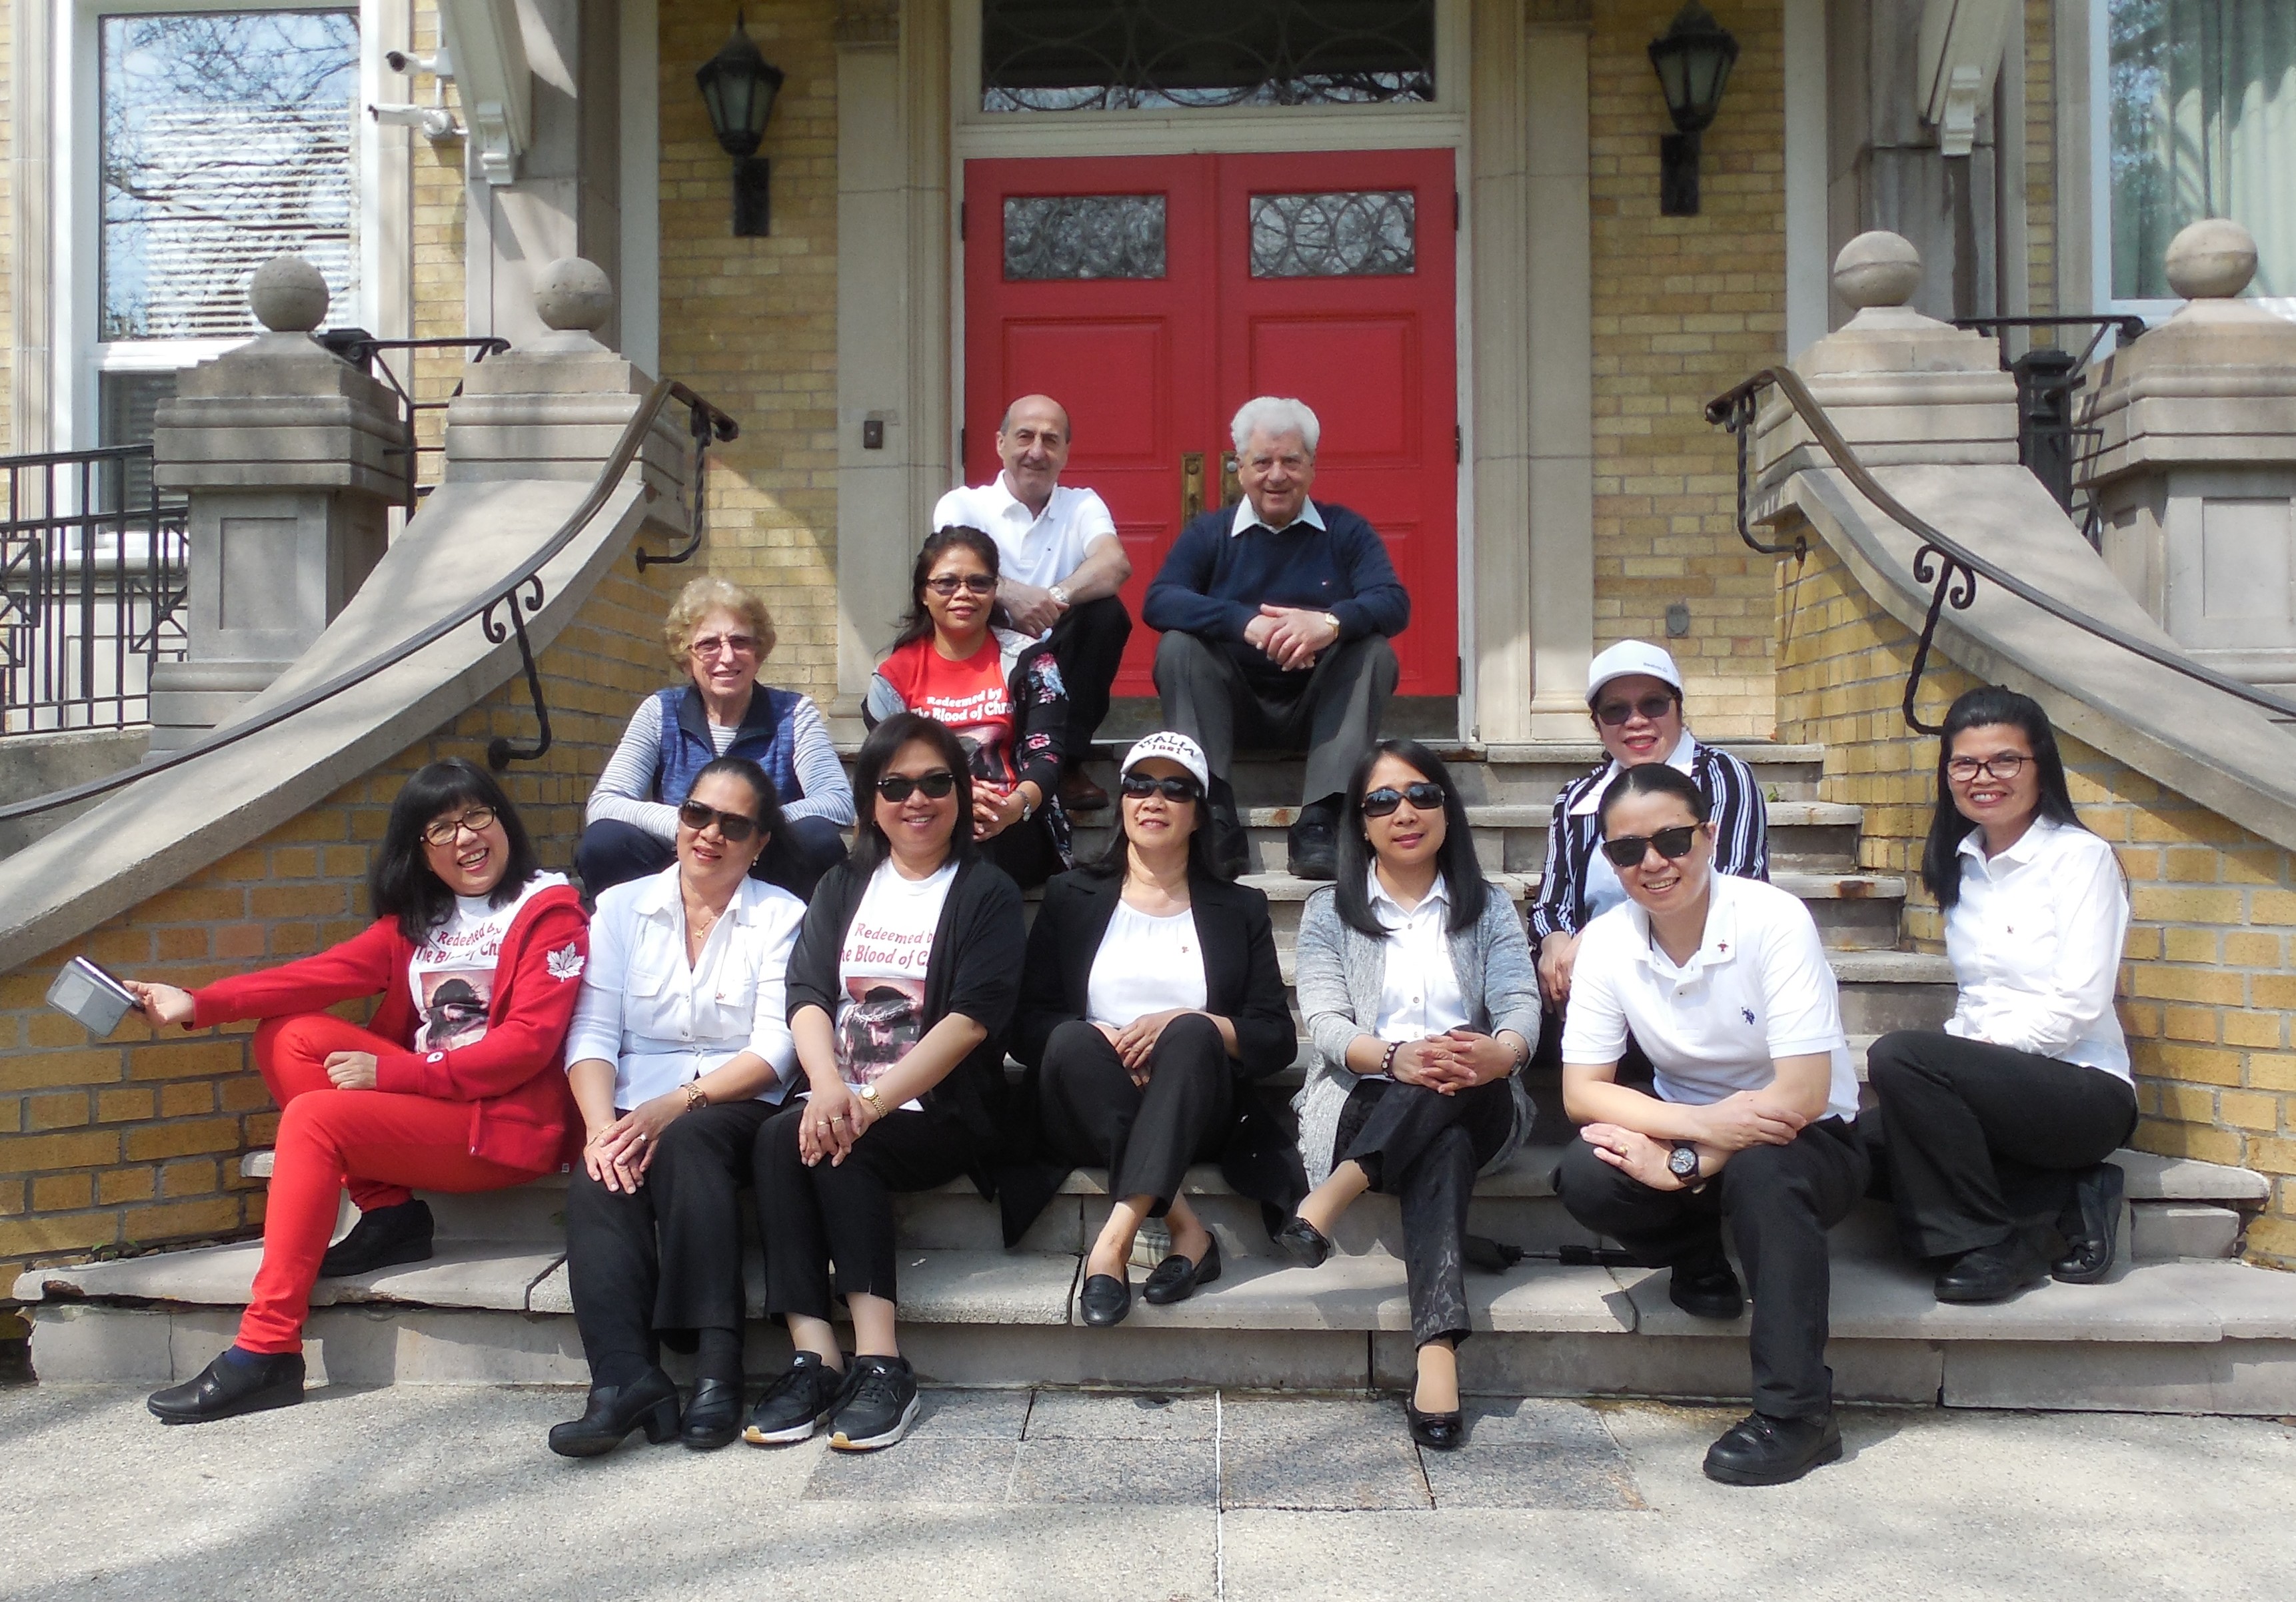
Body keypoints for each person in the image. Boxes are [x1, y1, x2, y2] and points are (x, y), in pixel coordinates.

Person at [125, 760, 587, 1424]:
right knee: (286, 1035)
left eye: (476, 816)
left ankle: (266, 1348)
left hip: (503, 1123)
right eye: (440, 829)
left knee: (315, 1120)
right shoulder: (421, 923)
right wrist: (196, 1002)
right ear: (420, 852)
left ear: (503, 821)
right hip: (434, 1104)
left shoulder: (550, 914)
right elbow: (316, 976)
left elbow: (525, 1047)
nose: (465, 837)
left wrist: (395, 1075)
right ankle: (390, 1214)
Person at [1552, 762, 1865, 1487]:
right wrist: (1698, 1129)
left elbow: (1803, 1090)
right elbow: (1581, 1094)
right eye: (1627, 850)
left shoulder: (1772, 918)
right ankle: (1699, 1259)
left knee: (1764, 1170)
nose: (1653, 862)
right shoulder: (1607, 940)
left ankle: (1797, 1414)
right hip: (1692, 1125)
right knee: (1585, 1171)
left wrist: (1694, 1159)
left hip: (1808, 1140)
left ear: (1709, 835)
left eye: (1672, 840)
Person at [741, 713, 1026, 1452]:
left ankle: (880, 1361)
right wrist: (827, 1086)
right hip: (839, 1091)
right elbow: (806, 995)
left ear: (961, 793)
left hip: (940, 1110)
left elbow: (969, 1023)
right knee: (776, 1138)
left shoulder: (986, 892)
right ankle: (815, 1358)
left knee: (847, 1145)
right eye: (895, 786)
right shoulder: (843, 884)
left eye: (936, 782)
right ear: (871, 799)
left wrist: (866, 1103)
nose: (916, 800)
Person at [1277, 740, 1540, 1451]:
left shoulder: (1488, 907)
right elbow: (1327, 1024)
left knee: (1456, 1074)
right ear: (1361, 825)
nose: (1405, 812)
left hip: (1480, 1092)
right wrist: (1397, 1058)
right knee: (1441, 1140)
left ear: (1447, 811)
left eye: (1423, 795)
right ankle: (1437, 1353)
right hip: (1364, 1095)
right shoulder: (1330, 912)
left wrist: (1501, 1053)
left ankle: (1336, 1192)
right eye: (1382, 801)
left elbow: (1519, 1003)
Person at [548, 757, 810, 1457]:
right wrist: (600, 1127)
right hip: (636, 1101)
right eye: (697, 813)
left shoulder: (782, 915)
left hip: (739, 1098)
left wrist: (679, 1103)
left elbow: (777, 1049)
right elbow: (592, 1031)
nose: (710, 833)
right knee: (601, 1173)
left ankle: (719, 1369)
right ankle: (624, 1380)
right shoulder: (620, 908)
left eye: (734, 824)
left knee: (692, 1141)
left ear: (760, 842)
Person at [1010, 732, 1296, 1327]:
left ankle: (1110, 1248)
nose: (1154, 800)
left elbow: (1275, 1037)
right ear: (1122, 801)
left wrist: (1189, 1023)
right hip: (1088, 1097)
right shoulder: (1070, 895)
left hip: (1197, 1107)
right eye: (1139, 785)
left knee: (1190, 1033)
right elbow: (1027, 1026)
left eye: (1175, 789)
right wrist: (1105, 1041)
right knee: (1070, 1038)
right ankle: (1188, 1231)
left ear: (1199, 813)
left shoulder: (1239, 908)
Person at [1865, 686, 2136, 1304]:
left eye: (2004, 761)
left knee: (1899, 1056)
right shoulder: (1960, 863)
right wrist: (1960, 1069)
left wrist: (1973, 1059)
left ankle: (1994, 1245)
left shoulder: (2080, 858)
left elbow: (2079, 1003)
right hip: (1993, 1087)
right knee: (1848, 1149)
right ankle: (2065, 1196)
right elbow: (1976, 998)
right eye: (1964, 764)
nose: (1982, 778)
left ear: (2040, 766)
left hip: (2079, 1090)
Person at [1143, 396, 1409, 881]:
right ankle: (1213, 813)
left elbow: (1393, 601)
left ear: (1312, 466)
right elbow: (1160, 600)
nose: (1276, 476)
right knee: (1177, 647)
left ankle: (1323, 817)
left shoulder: (1345, 531)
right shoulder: (1209, 533)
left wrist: (1327, 624)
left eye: (1291, 461)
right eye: (1262, 462)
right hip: (1230, 710)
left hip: (1319, 713)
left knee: (1374, 651)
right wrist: (1246, 624)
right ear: (1240, 467)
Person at [1527, 640, 1767, 1022]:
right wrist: (1555, 946)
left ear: (1678, 709)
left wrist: (1596, 940)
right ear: (1597, 724)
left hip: (1695, 975)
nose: (1636, 721)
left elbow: (1730, 883)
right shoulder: (1578, 797)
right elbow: (1552, 902)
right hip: (1593, 983)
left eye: (1653, 704)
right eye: (1615, 710)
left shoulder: (1722, 777)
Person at [578, 576, 854, 902]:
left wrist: (750, 828)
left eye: (740, 642)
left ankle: (796, 931)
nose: (727, 657)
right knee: (604, 841)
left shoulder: (793, 713)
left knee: (817, 839)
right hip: (681, 863)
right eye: (709, 645)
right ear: (687, 658)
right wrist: (687, 825)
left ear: (759, 653)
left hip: (764, 866)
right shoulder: (660, 711)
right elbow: (605, 802)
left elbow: (837, 800)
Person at [932, 394, 1134, 813]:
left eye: (1050, 440)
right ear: (1000, 443)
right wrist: (1009, 593)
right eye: (1025, 437)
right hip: (989, 656)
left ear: (1066, 452)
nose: (1037, 452)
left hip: (1059, 659)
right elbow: (957, 570)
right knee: (968, 604)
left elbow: (1114, 563)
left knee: (1106, 615)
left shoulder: (1081, 504)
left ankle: (1065, 764)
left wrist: (1053, 599)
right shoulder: (963, 504)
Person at [866, 525, 1072, 890]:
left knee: (979, 841)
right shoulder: (894, 675)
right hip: (925, 810)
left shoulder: (1029, 661)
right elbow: (890, 766)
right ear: (923, 594)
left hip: (1012, 819)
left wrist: (1014, 806)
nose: (963, 594)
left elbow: (1047, 754)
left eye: (979, 583)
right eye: (947, 583)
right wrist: (956, 797)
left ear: (994, 591)